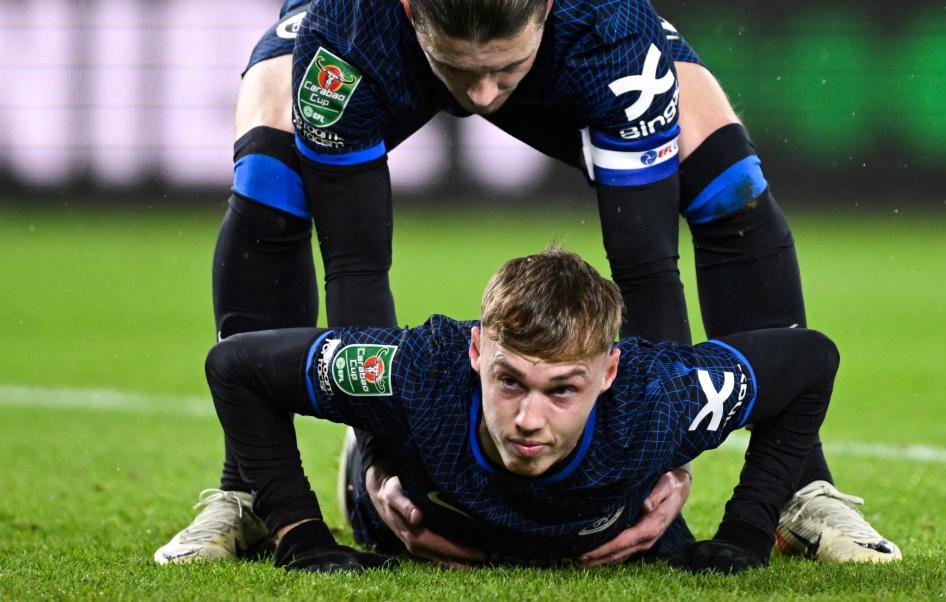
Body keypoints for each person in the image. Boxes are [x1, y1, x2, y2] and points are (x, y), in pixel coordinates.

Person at [155, 0, 900, 566]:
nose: (481, 96)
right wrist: (382, 458)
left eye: (502, 70)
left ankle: (802, 490)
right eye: (461, 69)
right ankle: (245, 490)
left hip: (574, 56)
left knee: (728, 190)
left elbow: (645, 266)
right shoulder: (345, 42)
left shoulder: (608, 31)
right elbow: (355, 266)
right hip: (381, 57)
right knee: (269, 187)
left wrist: (663, 466)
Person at [192, 247, 847, 574]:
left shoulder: (662, 397)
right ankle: (365, 450)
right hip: (399, 487)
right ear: (476, 351)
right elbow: (237, 368)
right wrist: (301, 536)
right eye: (509, 381)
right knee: (377, 432)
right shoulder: (423, 370)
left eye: (563, 389)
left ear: (609, 372)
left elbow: (812, 360)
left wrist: (745, 534)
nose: (529, 420)